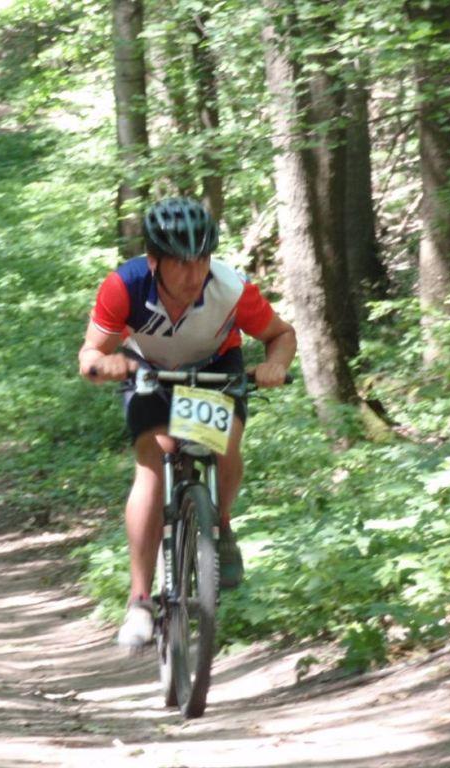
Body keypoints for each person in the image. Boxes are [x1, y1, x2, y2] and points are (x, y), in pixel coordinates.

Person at [77, 197, 296, 648]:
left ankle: (221, 524)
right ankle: (140, 600)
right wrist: (103, 363)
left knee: (225, 441)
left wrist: (275, 364)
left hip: (214, 367)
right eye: (180, 262)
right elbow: (90, 352)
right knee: (152, 463)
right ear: (154, 260)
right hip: (149, 370)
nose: (193, 274)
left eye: (201, 259)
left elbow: (281, 334)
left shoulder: (232, 289)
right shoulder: (125, 286)